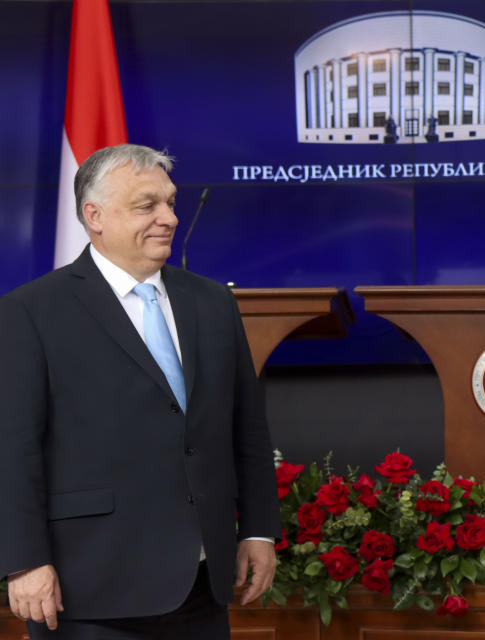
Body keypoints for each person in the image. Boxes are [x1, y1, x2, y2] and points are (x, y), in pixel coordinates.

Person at [0, 144, 281, 639]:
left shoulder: (213, 302)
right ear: (95, 216)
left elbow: (247, 430)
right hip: (87, 590)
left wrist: (258, 530)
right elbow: (12, 448)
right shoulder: (31, 312)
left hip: (201, 586)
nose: (169, 218)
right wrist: (24, 562)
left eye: (170, 202)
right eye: (147, 205)